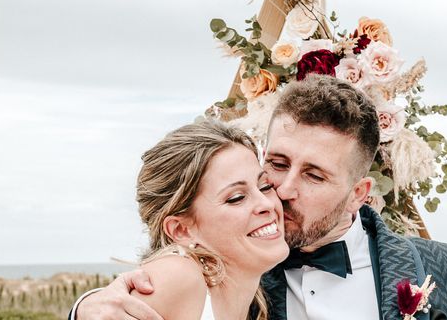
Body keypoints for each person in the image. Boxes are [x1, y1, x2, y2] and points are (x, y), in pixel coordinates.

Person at [72, 75, 447, 320]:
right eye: (276, 163)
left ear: (358, 194)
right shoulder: (231, 266)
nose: (282, 191)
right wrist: (87, 309)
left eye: (314, 175)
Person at [70, 121, 289, 320]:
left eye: (265, 186)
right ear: (181, 230)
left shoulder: (252, 296)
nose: (267, 204)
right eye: (236, 198)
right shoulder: (178, 276)